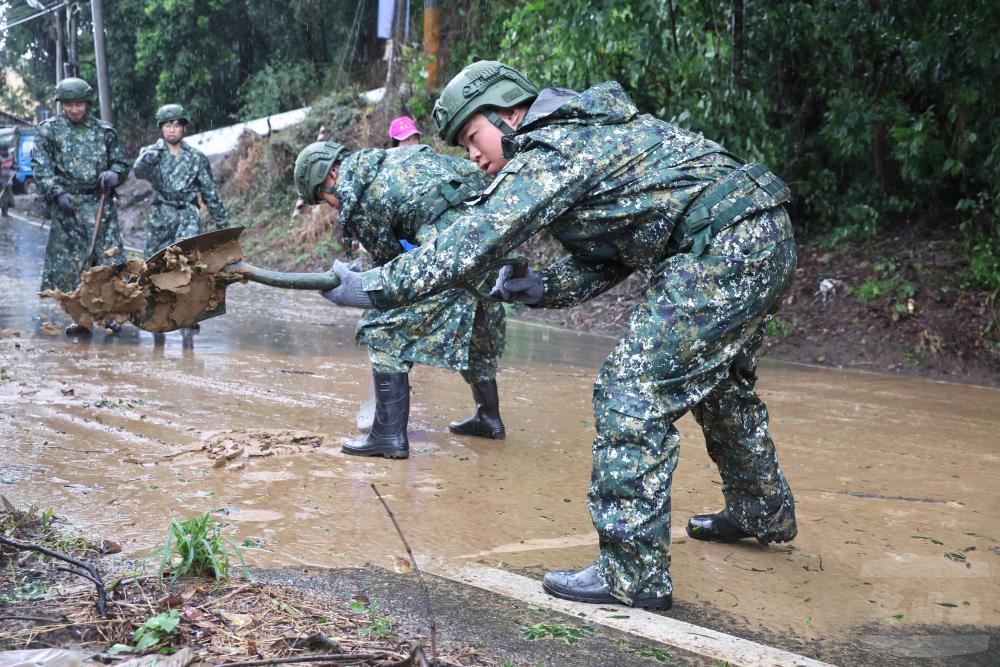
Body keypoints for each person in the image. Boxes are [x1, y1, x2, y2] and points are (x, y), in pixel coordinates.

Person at [322, 61, 798, 610]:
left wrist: (377, 285)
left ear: (509, 112)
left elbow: (472, 237)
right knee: (718, 387)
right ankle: (762, 509)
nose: (473, 155)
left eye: (473, 137)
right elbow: (614, 254)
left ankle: (632, 574)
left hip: (723, 244)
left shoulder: (552, 148)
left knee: (632, 392)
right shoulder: (583, 134)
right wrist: (543, 285)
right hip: (758, 229)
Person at [294, 140, 508, 459]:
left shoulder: (362, 195)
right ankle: (488, 418)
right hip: (492, 240)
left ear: (333, 175)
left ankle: (388, 437)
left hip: (450, 256)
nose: (330, 206)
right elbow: (469, 174)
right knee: (477, 328)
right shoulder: (390, 161)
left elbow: (392, 272)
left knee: (383, 329)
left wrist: (356, 283)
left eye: (323, 198)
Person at [33, 77, 129, 335]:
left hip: (100, 206)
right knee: (74, 266)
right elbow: (41, 169)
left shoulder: (104, 132)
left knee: (108, 263)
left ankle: (110, 315)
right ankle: (81, 318)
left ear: (87, 103)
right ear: (61, 104)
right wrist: (57, 192)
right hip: (68, 208)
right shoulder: (49, 132)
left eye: (79, 104)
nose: (74, 110)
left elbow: (120, 163)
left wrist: (114, 175)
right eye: (68, 104)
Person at [134, 104, 228, 258]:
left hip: (188, 216)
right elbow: (138, 172)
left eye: (177, 125)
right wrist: (146, 161)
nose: (172, 129)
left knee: (188, 262)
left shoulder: (196, 158)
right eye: (168, 125)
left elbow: (210, 195)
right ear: (161, 128)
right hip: (161, 217)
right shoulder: (151, 154)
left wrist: (223, 229)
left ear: (184, 128)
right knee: (153, 265)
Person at [0, 138, 14, 218]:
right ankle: (4, 213)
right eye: (2, 150)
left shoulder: (10, 155)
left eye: (5, 149)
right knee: (3, 197)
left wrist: (15, 167)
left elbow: (12, 165)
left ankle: (5, 212)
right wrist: (2, 183)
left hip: (8, 178)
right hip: (1, 179)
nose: (4, 151)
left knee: (8, 196)